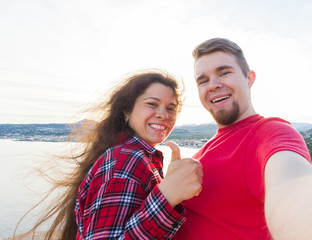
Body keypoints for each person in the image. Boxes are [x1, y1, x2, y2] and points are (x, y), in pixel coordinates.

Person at [173, 38, 312, 240]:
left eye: (224, 72)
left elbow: (299, 188)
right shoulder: (204, 150)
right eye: (203, 80)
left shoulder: (268, 133)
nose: (213, 85)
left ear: (249, 78)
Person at [20, 70, 203, 240]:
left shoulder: (129, 155)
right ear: (126, 112)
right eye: (152, 104)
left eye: (171, 108)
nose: (164, 115)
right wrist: (167, 195)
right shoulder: (127, 160)